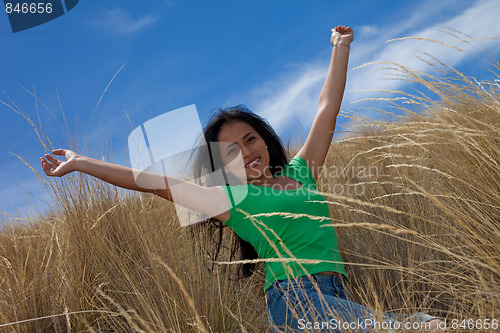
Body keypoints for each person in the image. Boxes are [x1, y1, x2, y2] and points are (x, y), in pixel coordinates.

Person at [40, 26, 441, 332]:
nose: (247, 153)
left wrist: (340, 49)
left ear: (264, 140)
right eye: (231, 151)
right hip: (296, 299)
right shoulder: (232, 203)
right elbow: (154, 181)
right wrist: (81, 162)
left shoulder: (302, 172)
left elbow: (326, 110)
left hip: (337, 293)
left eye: (250, 140)